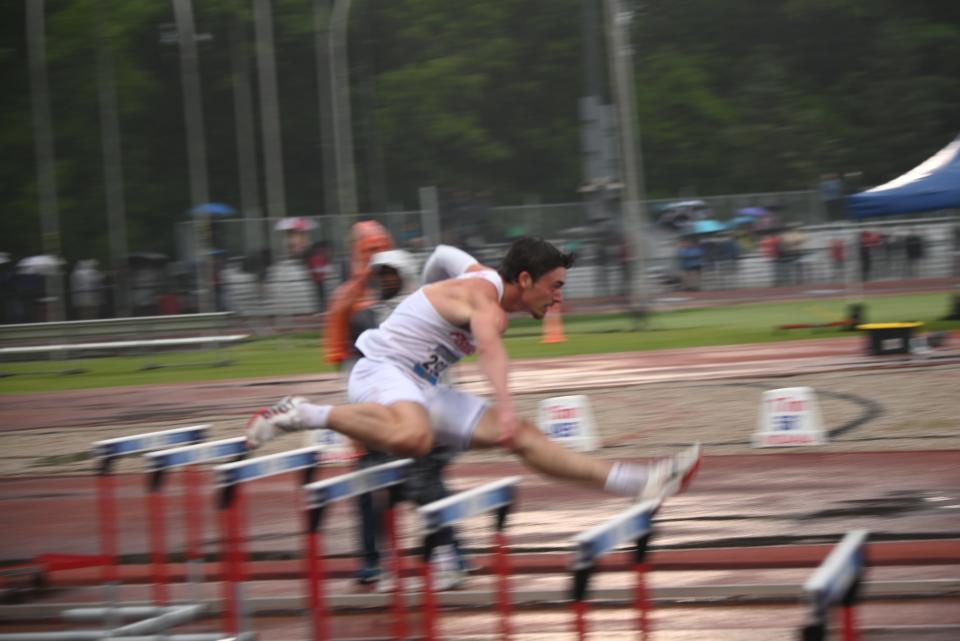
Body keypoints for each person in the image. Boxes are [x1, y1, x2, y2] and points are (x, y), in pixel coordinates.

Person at [246, 237, 701, 515]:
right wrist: (502, 407)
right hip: (381, 369)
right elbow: (490, 351)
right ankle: (304, 413)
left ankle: (639, 483)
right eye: (555, 286)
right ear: (526, 279)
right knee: (416, 437)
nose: (559, 299)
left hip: (419, 384)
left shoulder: (477, 273)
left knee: (523, 435)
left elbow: (443, 253)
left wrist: (423, 290)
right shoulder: (488, 303)